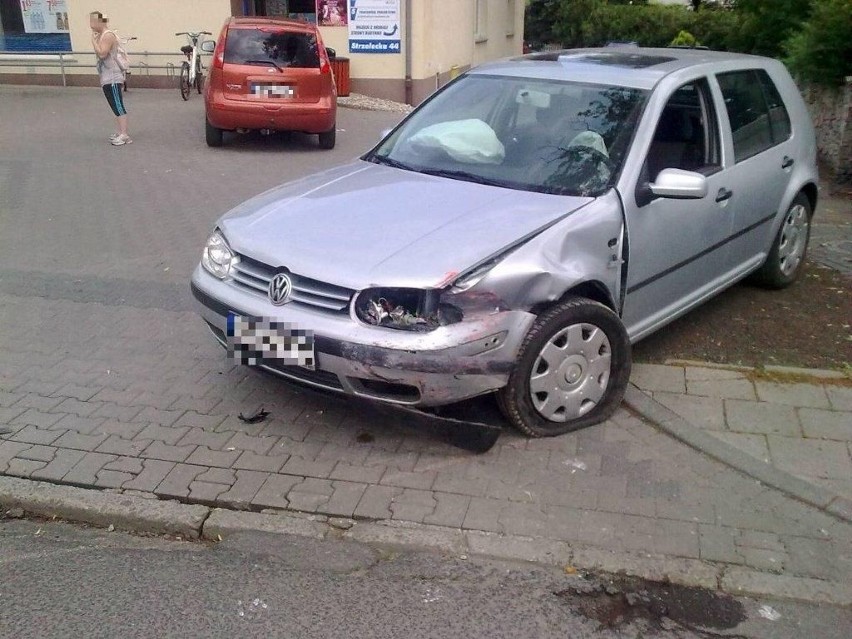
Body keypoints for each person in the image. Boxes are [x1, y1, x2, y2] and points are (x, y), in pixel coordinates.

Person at [90, 11, 131, 146]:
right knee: (114, 105)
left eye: (93, 22)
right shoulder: (103, 35)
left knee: (118, 105)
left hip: (113, 77)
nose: (91, 25)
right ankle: (120, 132)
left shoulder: (108, 36)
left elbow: (102, 54)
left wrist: (93, 41)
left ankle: (124, 135)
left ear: (100, 22)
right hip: (107, 77)